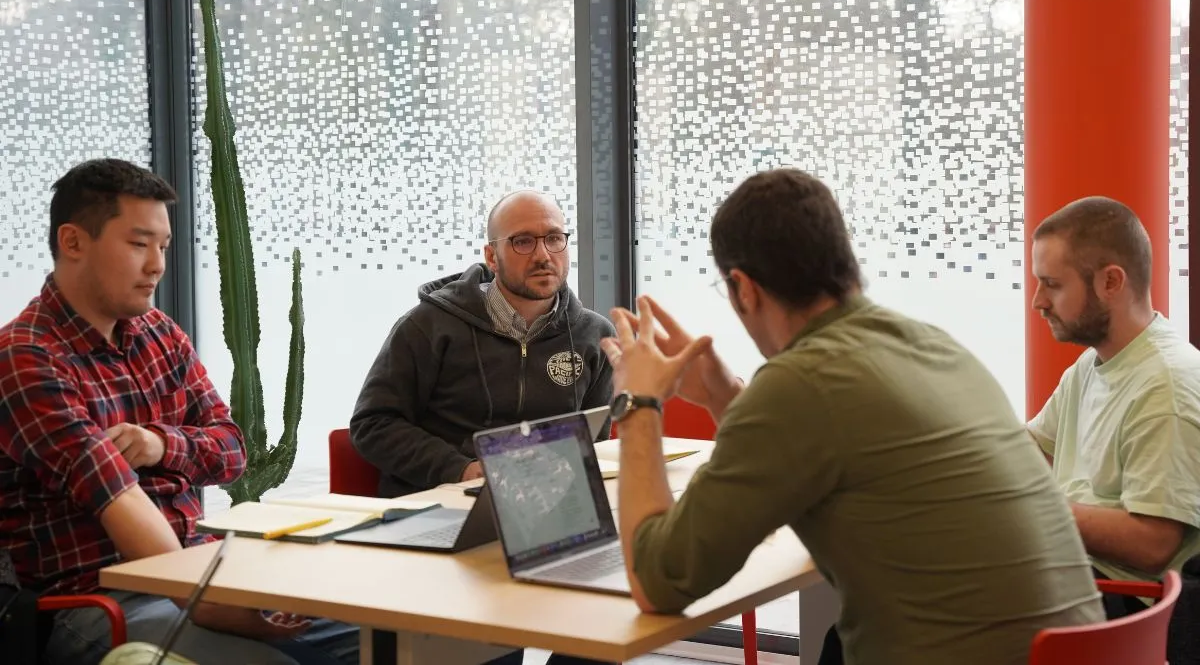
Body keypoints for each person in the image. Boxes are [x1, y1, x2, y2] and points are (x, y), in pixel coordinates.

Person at [599, 168, 1103, 665]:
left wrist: (639, 403)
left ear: (744, 288)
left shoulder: (801, 384)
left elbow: (657, 581)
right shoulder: (931, 344)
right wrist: (725, 394)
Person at [0, 159, 357, 665]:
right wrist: (209, 606)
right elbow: (117, 497)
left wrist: (162, 444)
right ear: (73, 242)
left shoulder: (158, 333)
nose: (157, 265)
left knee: (405, 636)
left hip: (201, 567)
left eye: (163, 246)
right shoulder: (25, 356)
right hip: (98, 601)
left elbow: (233, 450)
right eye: (138, 243)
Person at [351, 189, 616, 496]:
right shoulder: (428, 327)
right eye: (523, 241)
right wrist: (460, 470)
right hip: (440, 503)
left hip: (543, 507)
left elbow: (594, 442)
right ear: (492, 257)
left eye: (554, 238)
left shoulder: (595, 336)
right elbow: (373, 424)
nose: (543, 255)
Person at [1027, 196, 1200, 617]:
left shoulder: (1167, 386)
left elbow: (1152, 543)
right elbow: (1029, 446)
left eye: (1052, 283)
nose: (1038, 301)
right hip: (1077, 576)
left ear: (1111, 282)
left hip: (1122, 604)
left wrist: (1035, 507)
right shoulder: (1093, 363)